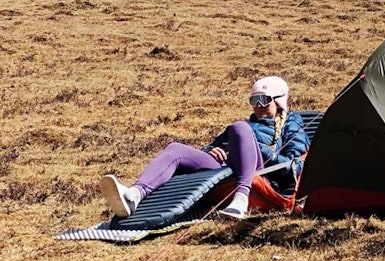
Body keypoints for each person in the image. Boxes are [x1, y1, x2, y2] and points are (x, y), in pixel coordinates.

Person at [99, 75, 310, 220]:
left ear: (279, 101)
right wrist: (211, 152)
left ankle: (240, 199)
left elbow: (294, 166)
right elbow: (214, 145)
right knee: (175, 149)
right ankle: (135, 195)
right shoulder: (247, 126)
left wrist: (248, 149)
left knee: (239, 128)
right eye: (253, 100)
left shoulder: (292, 122)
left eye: (263, 100)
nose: (257, 105)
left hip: (262, 177)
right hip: (224, 169)